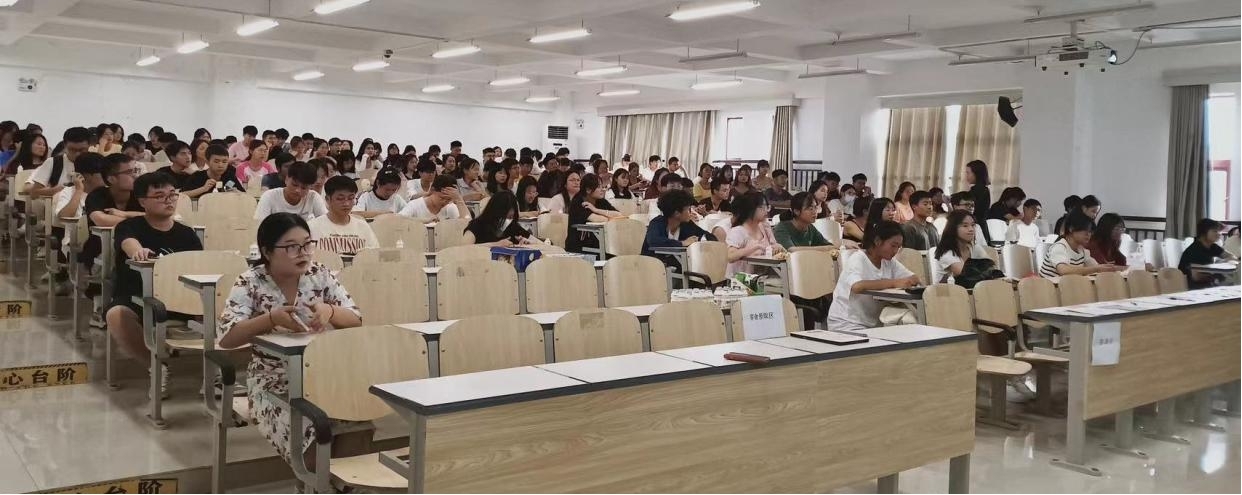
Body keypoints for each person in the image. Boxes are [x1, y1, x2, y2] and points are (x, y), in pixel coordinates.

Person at [216, 213, 364, 462]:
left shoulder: (319, 274)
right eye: (292, 247)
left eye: (307, 244)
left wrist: (330, 311)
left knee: (359, 420)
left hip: (323, 375)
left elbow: (356, 320)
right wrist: (270, 319)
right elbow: (227, 338)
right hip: (273, 380)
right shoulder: (250, 281)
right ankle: (316, 480)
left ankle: (338, 481)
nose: (303, 253)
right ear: (267, 251)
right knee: (312, 429)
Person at [105, 172, 204, 394]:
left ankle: (215, 375)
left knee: (222, 306)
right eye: (160, 196)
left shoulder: (187, 233)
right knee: (116, 315)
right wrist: (138, 251)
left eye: (172, 195)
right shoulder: (130, 226)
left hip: (179, 298)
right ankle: (155, 366)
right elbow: (128, 243)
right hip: (137, 297)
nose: (169, 200)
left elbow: (198, 266)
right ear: (142, 202)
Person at [826, 221, 920, 332]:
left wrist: (906, 281)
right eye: (893, 245)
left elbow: (914, 278)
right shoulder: (858, 259)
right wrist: (894, 283)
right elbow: (857, 286)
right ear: (877, 241)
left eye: (899, 247)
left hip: (872, 325)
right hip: (847, 323)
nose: (895, 251)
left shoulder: (889, 262)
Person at [1039, 211, 1124, 278]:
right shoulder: (1060, 247)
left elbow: (1096, 267)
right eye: (1085, 231)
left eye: (1090, 231)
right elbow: (1063, 270)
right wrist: (1096, 268)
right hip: (1047, 289)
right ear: (1071, 229)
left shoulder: (1082, 251)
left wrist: (1106, 268)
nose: (1088, 234)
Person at [641, 190, 715, 266]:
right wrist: (682, 243)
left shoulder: (687, 224)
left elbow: (709, 236)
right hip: (651, 266)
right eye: (688, 209)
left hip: (677, 267)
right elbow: (654, 241)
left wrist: (700, 240)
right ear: (676, 213)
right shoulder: (657, 223)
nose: (691, 213)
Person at [308, 177, 379, 256]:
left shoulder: (363, 227)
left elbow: (375, 256)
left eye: (351, 198)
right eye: (340, 199)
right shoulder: (313, 227)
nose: (346, 203)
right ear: (327, 199)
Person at [724, 193, 784, 277]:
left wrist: (777, 248)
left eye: (767, 207)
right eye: (762, 207)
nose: (766, 211)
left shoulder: (765, 227)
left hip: (763, 277)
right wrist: (755, 247)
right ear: (750, 209)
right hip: (740, 279)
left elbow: (773, 246)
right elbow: (730, 256)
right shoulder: (738, 231)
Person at [934, 210, 1001, 285]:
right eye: (965, 226)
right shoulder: (946, 252)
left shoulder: (975, 248)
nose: (971, 229)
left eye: (973, 225)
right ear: (953, 229)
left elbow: (992, 269)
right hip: (948, 291)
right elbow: (966, 275)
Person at [566, 174, 624, 253]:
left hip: (599, 245)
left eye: (602, 186)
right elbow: (598, 219)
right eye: (599, 187)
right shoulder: (578, 202)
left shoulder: (600, 200)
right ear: (588, 190)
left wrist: (596, 210)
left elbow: (619, 215)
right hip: (579, 247)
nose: (602, 189)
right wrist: (610, 216)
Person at [254, 161, 328, 221]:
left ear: (310, 187)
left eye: (304, 188)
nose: (298, 190)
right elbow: (259, 223)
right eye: (294, 185)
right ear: (286, 179)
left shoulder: (313, 197)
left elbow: (325, 221)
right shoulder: (269, 196)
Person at [27, 127, 87, 199]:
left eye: (82, 150)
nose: (77, 154)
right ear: (65, 146)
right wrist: (54, 190)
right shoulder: (53, 162)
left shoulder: (95, 163)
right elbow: (34, 193)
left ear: (89, 146)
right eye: (72, 150)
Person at [1179, 219, 1238, 288]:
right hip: (1190, 286)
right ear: (1203, 233)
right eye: (1215, 231)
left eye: (1219, 231)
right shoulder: (1194, 250)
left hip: (1207, 283)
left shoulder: (1212, 246)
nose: (1219, 234)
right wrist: (1215, 276)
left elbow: (1232, 256)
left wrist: (1225, 261)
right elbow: (1196, 277)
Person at [462, 191, 533, 246]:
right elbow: (464, 247)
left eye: (510, 217)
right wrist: (495, 245)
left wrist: (528, 243)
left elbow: (538, 243)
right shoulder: (477, 225)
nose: (507, 220)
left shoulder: (512, 227)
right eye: (503, 216)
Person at [398, 174, 467, 223]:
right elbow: (398, 219)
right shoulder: (415, 205)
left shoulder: (450, 207)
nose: (445, 202)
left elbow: (466, 223)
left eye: (448, 199)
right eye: (442, 198)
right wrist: (424, 220)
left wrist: (459, 199)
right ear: (432, 190)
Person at [963, 160, 993, 242]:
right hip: (981, 226)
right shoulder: (983, 189)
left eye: (968, 173)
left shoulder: (978, 190)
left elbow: (975, 211)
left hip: (977, 228)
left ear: (976, 173)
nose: (966, 176)